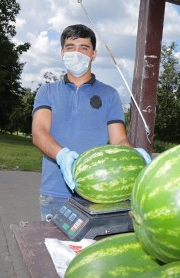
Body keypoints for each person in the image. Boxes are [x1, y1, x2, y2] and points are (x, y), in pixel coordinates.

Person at [32, 24, 151, 221]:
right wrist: (62, 156)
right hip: (53, 194)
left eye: (83, 48)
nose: (76, 53)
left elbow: (119, 139)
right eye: (70, 47)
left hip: (96, 196)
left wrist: (135, 157)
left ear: (93, 55)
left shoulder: (110, 94)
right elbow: (39, 132)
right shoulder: (47, 91)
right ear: (62, 52)